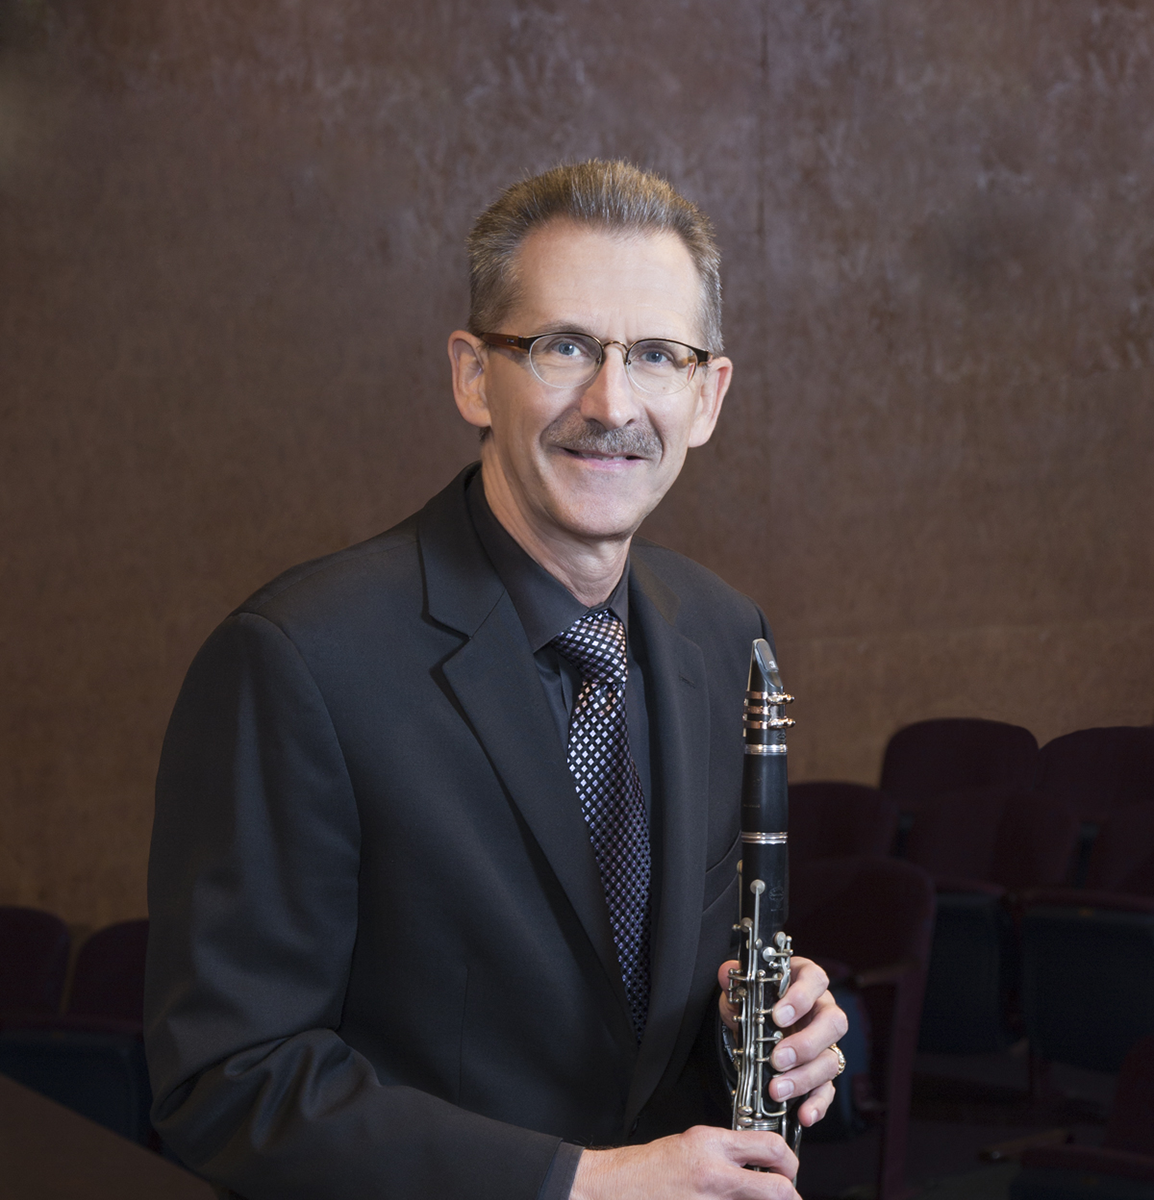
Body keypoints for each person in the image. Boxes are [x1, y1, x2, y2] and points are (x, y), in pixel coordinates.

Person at [145, 160, 847, 1200]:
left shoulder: (724, 631)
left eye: (658, 356)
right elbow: (229, 1079)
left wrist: (779, 1031)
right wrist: (579, 1185)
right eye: (564, 347)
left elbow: (625, 1029)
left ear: (707, 397)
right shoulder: (297, 660)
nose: (612, 403)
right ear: (474, 375)